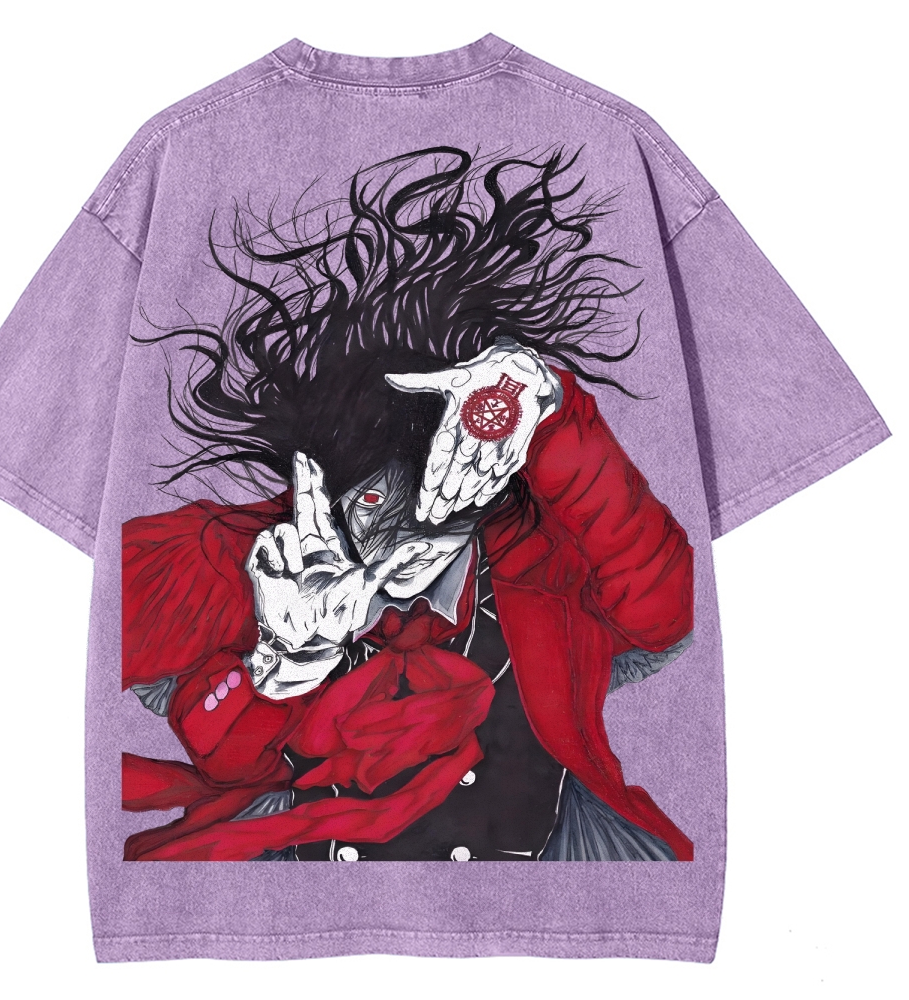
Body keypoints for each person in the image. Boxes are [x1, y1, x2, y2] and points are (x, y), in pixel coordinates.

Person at [120, 147, 694, 861]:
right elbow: (218, 751)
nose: (399, 548)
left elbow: (663, 606)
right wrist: (283, 658)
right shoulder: (274, 562)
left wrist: (547, 407)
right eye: (368, 507)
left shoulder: (540, 569)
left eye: (431, 518)